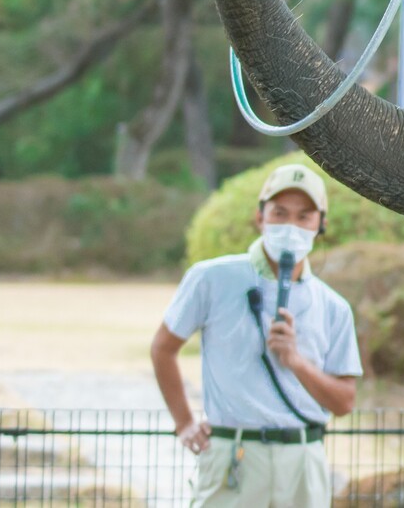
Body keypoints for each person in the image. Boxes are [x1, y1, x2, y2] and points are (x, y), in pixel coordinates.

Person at [152, 163, 361, 508]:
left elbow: (344, 402)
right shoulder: (212, 278)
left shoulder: (333, 306)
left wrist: (296, 361)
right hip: (234, 453)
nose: (290, 226)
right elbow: (163, 348)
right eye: (279, 213)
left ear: (320, 224)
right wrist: (184, 422)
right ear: (260, 216)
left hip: (303, 458)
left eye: (304, 216)